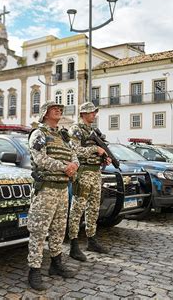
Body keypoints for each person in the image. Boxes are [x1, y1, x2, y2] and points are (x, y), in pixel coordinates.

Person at [27, 101, 79, 290]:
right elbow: (40, 159)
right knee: (39, 231)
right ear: (44, 113)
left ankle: (56, 264)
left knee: (58, 229)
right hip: (46, 189)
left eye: (60, 109)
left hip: (62, 189)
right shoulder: (39, 134)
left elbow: (74, 156)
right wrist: (64, 167)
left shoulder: (64, 136)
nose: (59, 110)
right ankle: (34, 270)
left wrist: (74, 165)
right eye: (54, 108)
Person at [68, 102, 111, 262]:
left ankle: (91, 239)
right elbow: (75, 151)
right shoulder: (76, 130)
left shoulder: (94, 131)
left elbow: (99, 151)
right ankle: (73, 243)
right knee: (77, 208)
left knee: (93, 208)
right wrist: (95, 149)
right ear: (83, 114)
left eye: (94, 112)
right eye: (91, 112)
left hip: (95, 172)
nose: (94, 115)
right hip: (83, 172)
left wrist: (104, 158)